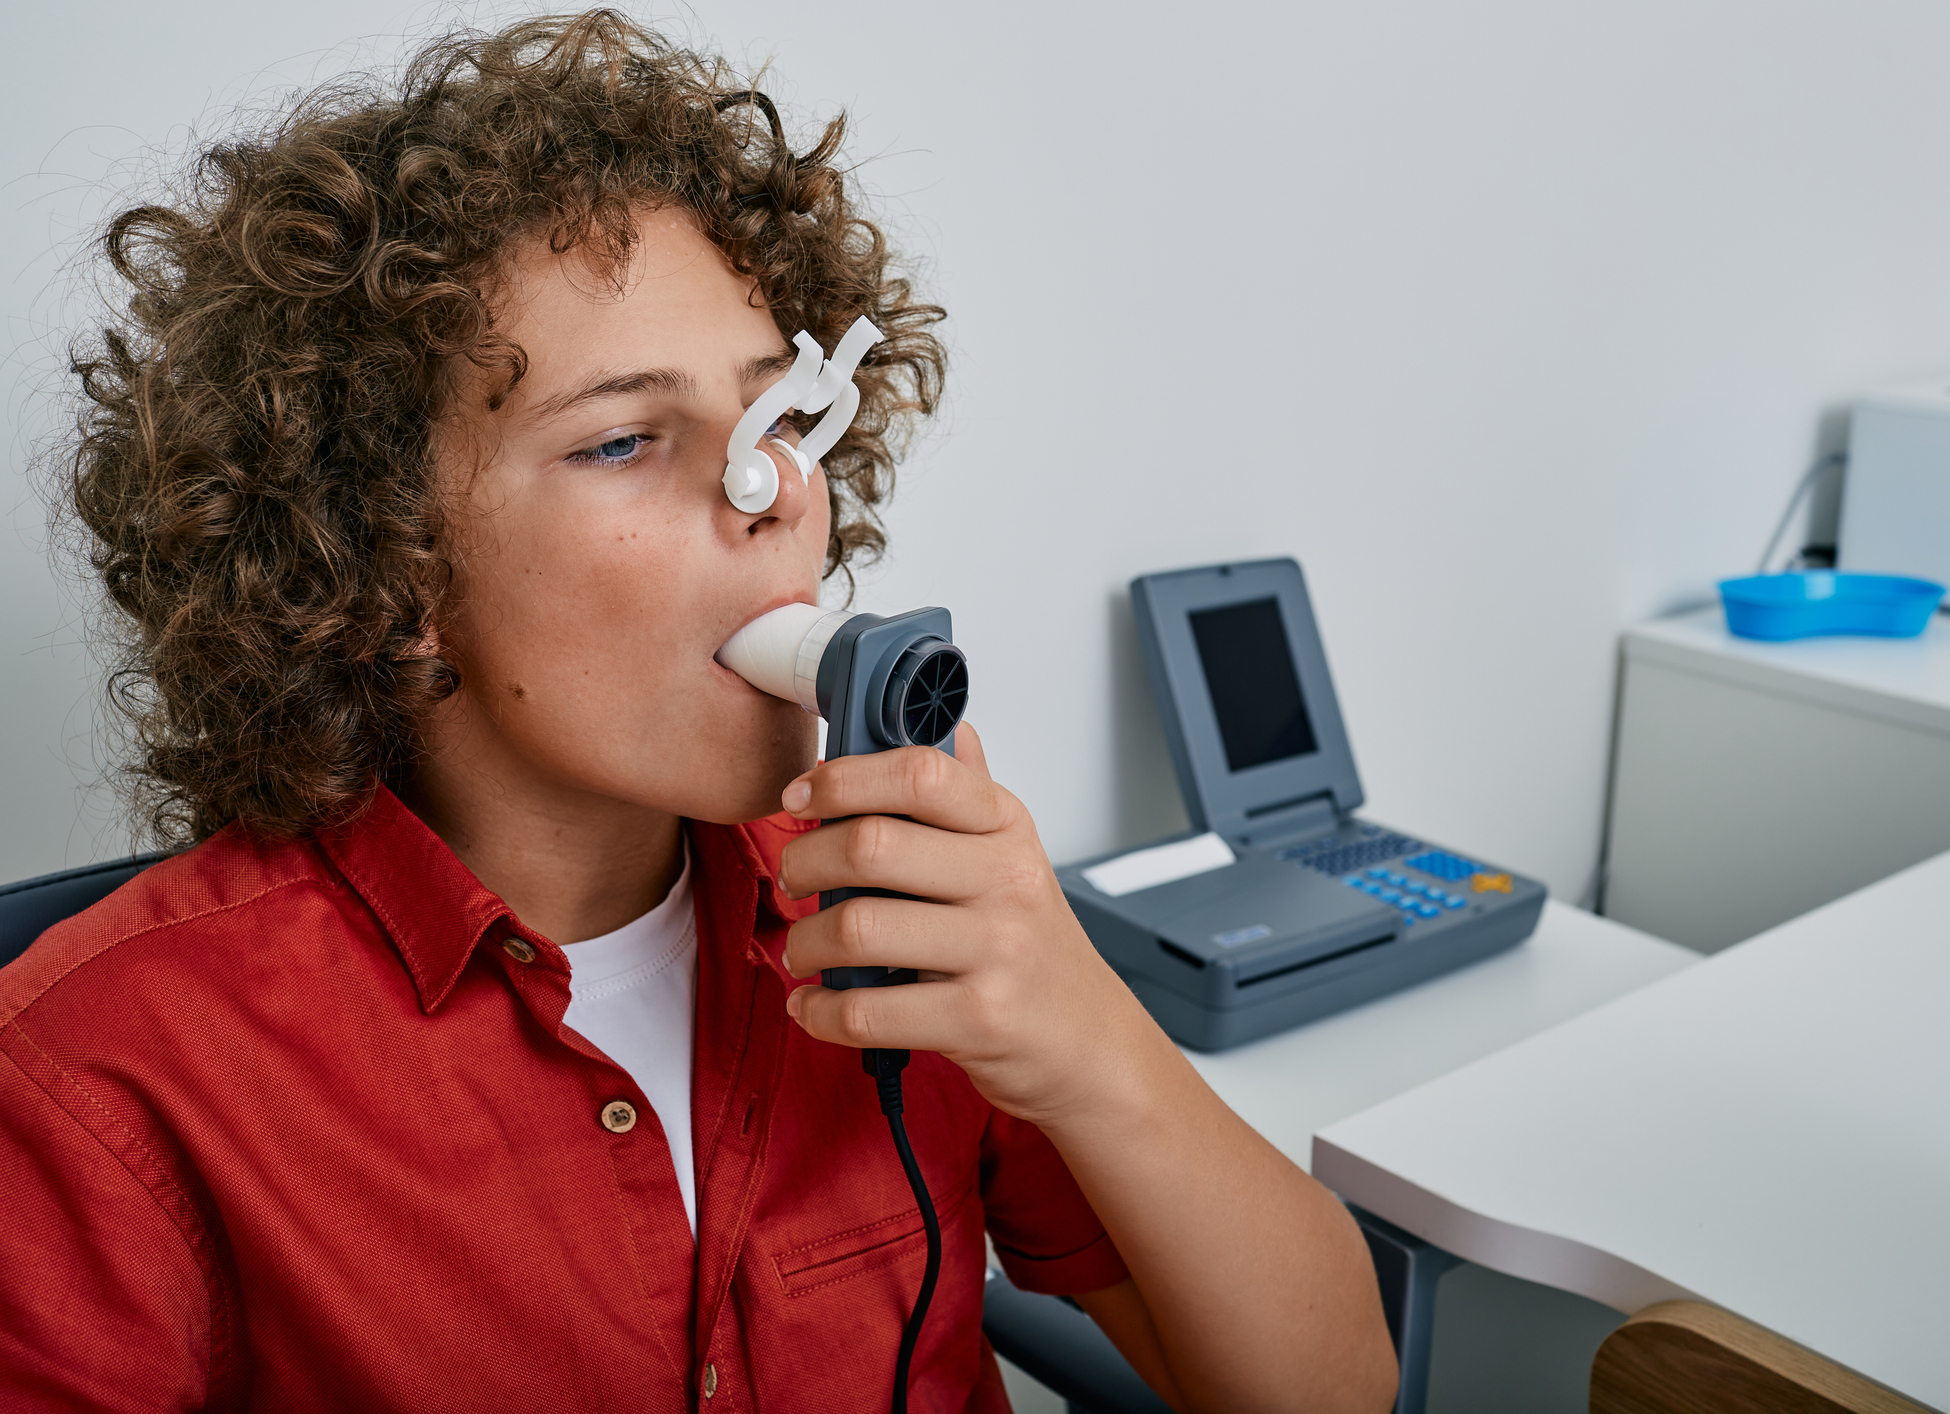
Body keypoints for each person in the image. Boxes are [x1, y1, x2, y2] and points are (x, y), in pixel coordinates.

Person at [0, 13, 1398, 1412]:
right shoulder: (100, 1075)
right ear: (387, 574)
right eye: (622, 440)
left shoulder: (908, 919)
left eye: (781, 420)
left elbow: (1337, 1391)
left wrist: (1085, 1031)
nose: (774, 494)